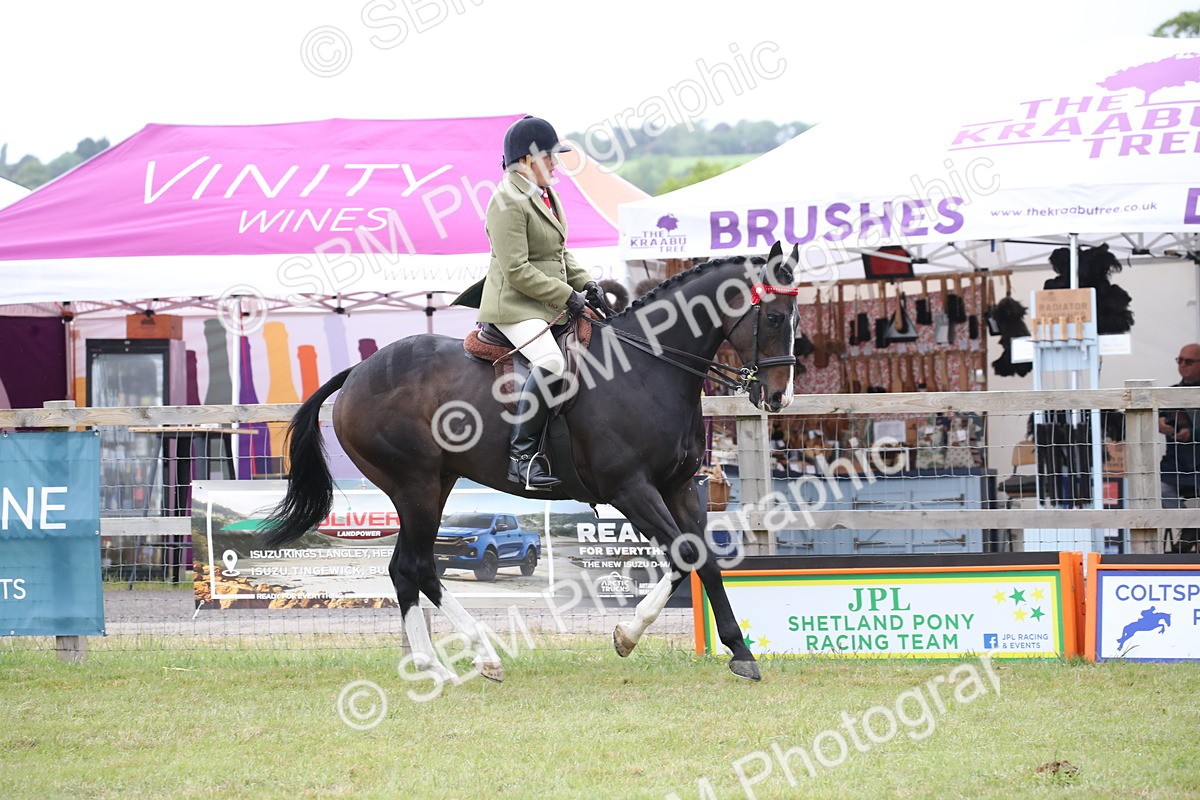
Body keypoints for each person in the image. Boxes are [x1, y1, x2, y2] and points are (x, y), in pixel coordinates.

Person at [455, 116, 614, 490]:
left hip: (545, 303)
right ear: (528, 159)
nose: (556, 164)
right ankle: (522, 459)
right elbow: (516, 270)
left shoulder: (546, 194)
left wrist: (587, 283)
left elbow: (559, 253)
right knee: (552, 361)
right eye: (550, 157)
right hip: (514, 305)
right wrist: (566, 295)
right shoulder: (506, 201)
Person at [1160, 343, 1200, 552]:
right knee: (1158, 489)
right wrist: (1160, 423)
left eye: (1189, 361)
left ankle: (1190, 533)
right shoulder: (1170, 394)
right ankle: (1191, 529)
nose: (1182, 365)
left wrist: (1193, 434)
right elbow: (1159, 417)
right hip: (1176, 467)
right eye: (1180, 360)